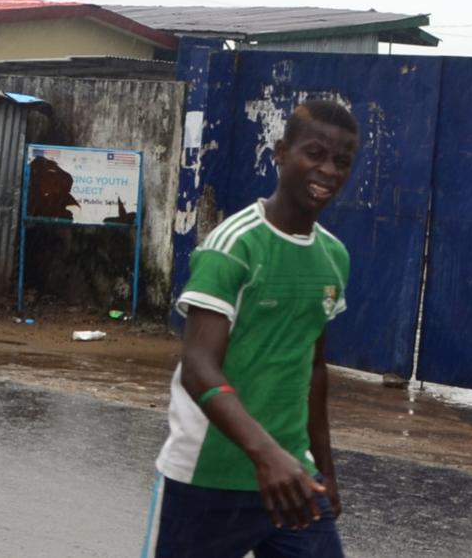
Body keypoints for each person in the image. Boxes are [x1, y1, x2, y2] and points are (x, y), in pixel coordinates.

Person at [150, 99, 359, 558]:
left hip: (293, 480)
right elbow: (199, 366)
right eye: (315, 153)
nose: (327, 170)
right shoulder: (233, 245)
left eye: (341, 162)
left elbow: (314, 369)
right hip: (208, 479)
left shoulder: (334, 256)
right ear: (281, 153)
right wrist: (267, 456)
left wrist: (324, 469)